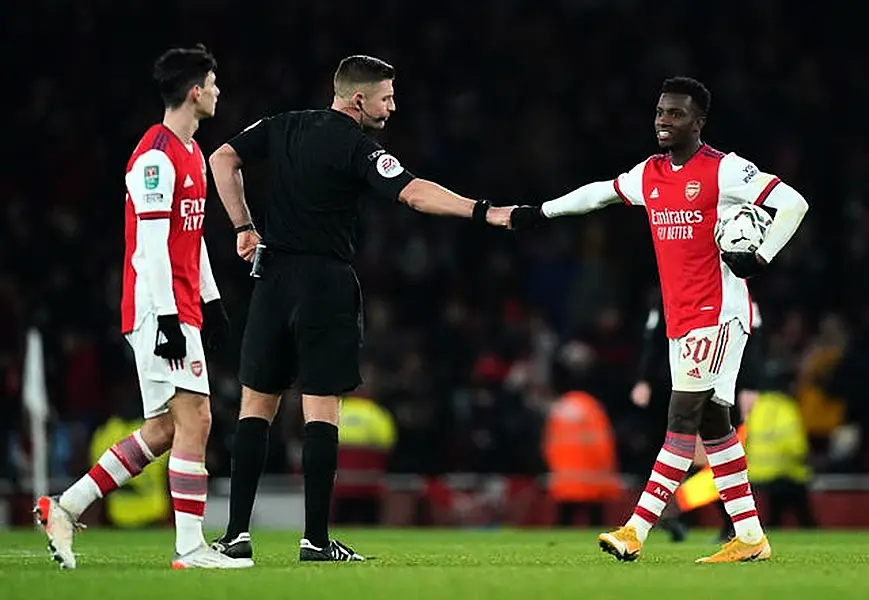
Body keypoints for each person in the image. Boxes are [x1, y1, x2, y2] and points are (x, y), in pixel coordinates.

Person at [208, 55, 513, 562]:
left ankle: (236, 536)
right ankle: (315, 540)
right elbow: (413, 194)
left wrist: (243, 227)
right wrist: (483, 211)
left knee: (256, 405)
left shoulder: (282, 125)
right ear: (358, 99)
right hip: (324, 284)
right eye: (387, 97)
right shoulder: (357, 146)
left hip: (273, 279)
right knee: (321, 408)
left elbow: (221, 158)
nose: (392, 107)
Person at [510, 77, 809, 563]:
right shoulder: (649, 175)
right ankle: (751, 537)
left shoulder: (726, 170)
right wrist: (537, 212)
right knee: (715, 425)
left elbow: (794, 203)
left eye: (676, 113)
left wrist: (762, 256)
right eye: (659, 113)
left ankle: (636, 528)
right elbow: (597, 194)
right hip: (681, 315)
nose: (664, 122)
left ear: (699, 121)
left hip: (717, 312)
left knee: (681, 418)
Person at [34, 44, 253, 570]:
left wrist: (213, 299)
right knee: (196, 417)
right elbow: (150, 247)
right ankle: (190, 548)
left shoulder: (193, 154)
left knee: (164, 429)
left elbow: (190, 235)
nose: (219, 92)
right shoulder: (154, 157)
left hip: (180, 306)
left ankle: (65, 506)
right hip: (159, 309)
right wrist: (172, 320)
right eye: (214, 84)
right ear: (195, 90)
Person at [632, 292, 764, 543]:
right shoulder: (668, 294)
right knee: (680, 453)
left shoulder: (737, 291)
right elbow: (655, 338)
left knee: (710, 457)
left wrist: (749, 384)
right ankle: (677, 516)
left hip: (718, 383)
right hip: (672, 385)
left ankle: (719, 519)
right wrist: (645, 378)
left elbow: (751, 340)